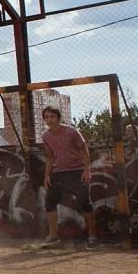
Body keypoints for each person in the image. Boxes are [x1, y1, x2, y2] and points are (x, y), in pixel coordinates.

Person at [40, 106, 97, 249]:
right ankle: (53, 237)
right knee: (49, 202)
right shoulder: (45, 136)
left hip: (77, 171)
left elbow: (84, 150)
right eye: (46, 117)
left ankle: (92, 236)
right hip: (59, 173)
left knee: (85, 203)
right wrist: (47, 175)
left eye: (52, 116)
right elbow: (50, 156)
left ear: (58, 118)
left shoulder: (71, 131)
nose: (49, 119)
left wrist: (86, 170)